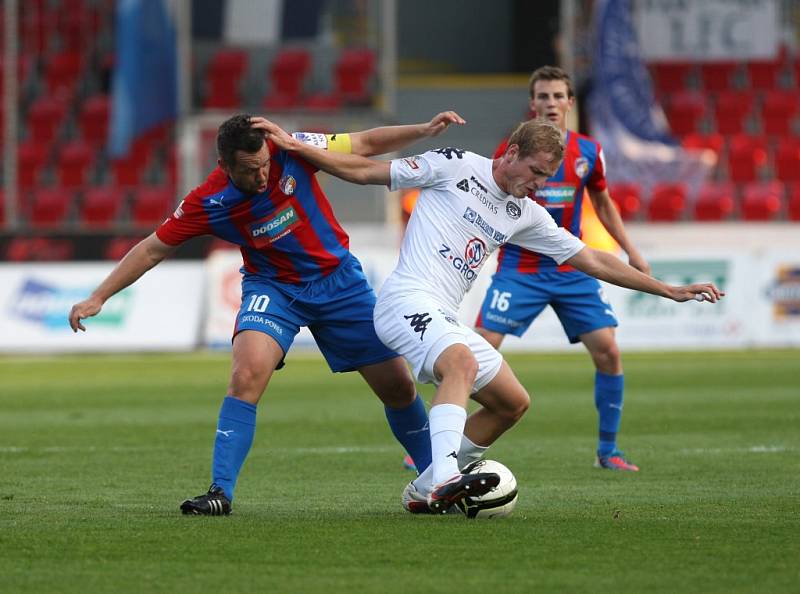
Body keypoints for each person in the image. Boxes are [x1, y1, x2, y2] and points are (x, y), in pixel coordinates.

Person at [256, 116, 723, 515]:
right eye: (536, 172)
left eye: (546, 177)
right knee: (460, 363)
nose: (540, 185)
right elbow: (365, 173)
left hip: (444, 314)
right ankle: (442, 477)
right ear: (512, 152)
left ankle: (424, 490)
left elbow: (593, 260)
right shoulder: (456, 165)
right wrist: (297, 147)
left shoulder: (527, 214)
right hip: (405, 300)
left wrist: (666, 288)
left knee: (512, 402)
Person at [68, 111, 467, 515]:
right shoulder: (207, 201)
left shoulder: (289, 146)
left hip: (338, 282)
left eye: (264, 167)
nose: (262, 177)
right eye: (249, 171)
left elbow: (363, 143)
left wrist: (422, 129)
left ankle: (436, 481)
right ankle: (219, 492)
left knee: (397, 386)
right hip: (273, 289)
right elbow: (153, 248)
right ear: (224, 166)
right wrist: (100, 296)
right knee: (246, 376)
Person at [475, 66, 649, 471]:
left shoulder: (589, 152)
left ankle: (609, 451)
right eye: (543, 96)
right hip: (520, 268)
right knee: (475, 348)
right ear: (531, 103)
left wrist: (630, 249)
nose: (550, 103)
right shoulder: (512, 148)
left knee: (608, 352)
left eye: (557, 96)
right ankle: (435, 442)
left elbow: (603, 202)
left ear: (570, 103)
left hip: (571, 268)